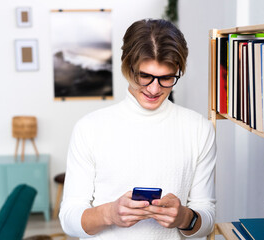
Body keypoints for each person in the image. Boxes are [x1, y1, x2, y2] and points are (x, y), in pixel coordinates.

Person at [59, 18, 216, 240]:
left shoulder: (198, 129)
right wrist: (109, 214)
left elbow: (206, 220)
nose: (154, 89)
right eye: (144, 76)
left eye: (166, 78)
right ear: (127, 68)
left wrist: (183, 217)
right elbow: (68, 220)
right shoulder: (90, 128)